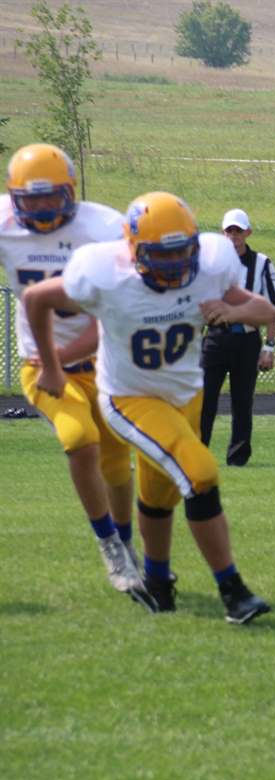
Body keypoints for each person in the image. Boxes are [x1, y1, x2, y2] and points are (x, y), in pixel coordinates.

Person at [24, 191, 275, 623]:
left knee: (159, 497)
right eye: (165, 254)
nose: (177, 263)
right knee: (200, 473)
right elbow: (35, 299)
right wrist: (50, 365)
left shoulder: (211, 267)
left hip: (186, 396)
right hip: (131, 399)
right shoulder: (106, 274)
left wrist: (229, 311)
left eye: (184, 251)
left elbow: (264, 309)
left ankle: (158, 585)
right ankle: (233, 591)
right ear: (135, 250)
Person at [1, 143, 151, 608]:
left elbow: (114, 317)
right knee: (78, 437)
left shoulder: (103, 229)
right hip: (41, 366)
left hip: (103, 361)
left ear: (72, 192)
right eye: (33, 200)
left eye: (52, 198)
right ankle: (110, 544)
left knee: (115, 464)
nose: (44, 209)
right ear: (14, 197)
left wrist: (64, 354)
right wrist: (50, 362)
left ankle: (125, 543)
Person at [199, 208, 275, 467]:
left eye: (238, 231)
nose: (233, 236)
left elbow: (273, 307)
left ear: (248, 232)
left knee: (242, 401)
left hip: (247, 340)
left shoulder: (262, 264)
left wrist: (269, 347)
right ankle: (198, 453)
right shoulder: (210, 263)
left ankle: (237, 458)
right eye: (229, 231)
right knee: (203, 400)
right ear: (222, 233)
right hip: (215, 337)